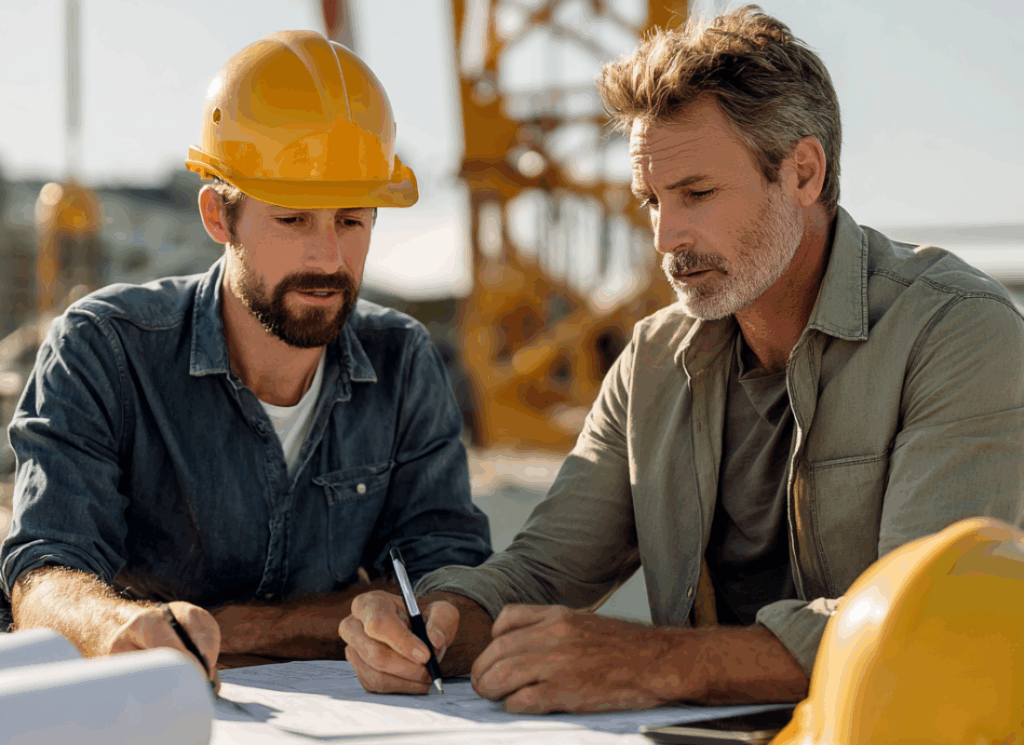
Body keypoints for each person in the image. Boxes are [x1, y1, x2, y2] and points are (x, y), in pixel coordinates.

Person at [339, 6, 1024, 713]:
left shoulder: (956, 330)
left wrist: (654, 662)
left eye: (696, 194)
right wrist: (445, 620)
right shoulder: (652, 360)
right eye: (651, 200)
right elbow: (543, 568)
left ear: (804, 173)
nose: (665, 237)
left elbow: (924, 624)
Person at [0, 31, 491, 687]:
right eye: (293, 220)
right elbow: (43, 572)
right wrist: (113, 626)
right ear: (217, 216)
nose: (328, 259)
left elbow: (452, 580)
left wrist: (424, 621)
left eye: (351, 220)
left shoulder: (403, 362)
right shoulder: (104, 349)